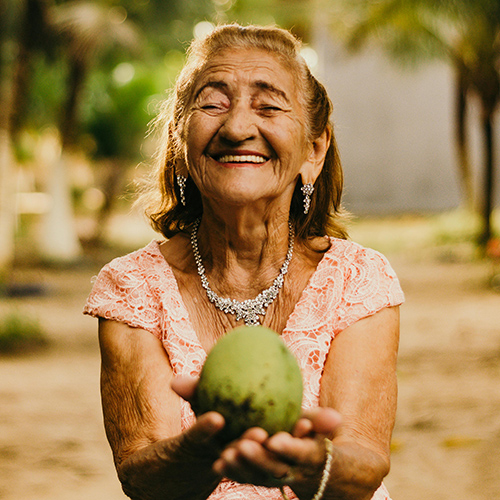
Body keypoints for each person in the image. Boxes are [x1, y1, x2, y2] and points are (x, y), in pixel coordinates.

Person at [84, 23, 404, 500]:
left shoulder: (358, 281)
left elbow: (365, 462)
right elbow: (140, 473)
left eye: (269, 106)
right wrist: (202, 450)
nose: (237, 129)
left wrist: (310, 462)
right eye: (213, 104)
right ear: (179, 141)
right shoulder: (133, 290)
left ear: (314, 151)